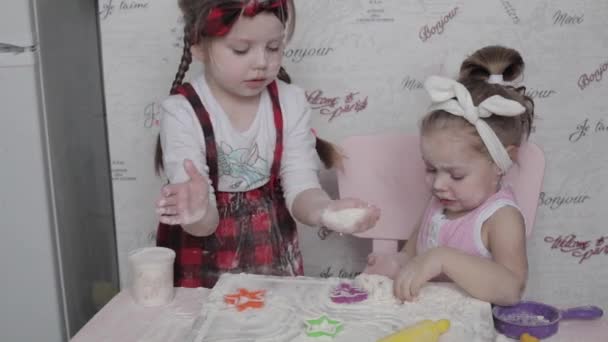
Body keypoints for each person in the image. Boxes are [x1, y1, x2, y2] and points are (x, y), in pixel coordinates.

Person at [154, 0, 380, 288]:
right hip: (202, 255)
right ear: (198, 45)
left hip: (272, 249)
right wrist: (197, 210)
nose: (262, 62)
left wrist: (326, 212)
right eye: (241, 49)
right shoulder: (181, 111)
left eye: (273, 48)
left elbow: (301, 188)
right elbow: (202, 223)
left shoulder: (290, 101)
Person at [366, 46, 535, 305]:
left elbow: (511, 289)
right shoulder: (440, 202)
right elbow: (413, 253)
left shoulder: (500, 218)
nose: (438, 184)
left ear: (502, 162)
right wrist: (394, 264)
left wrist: (442, 258)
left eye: (456, 175)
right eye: (431, 169)